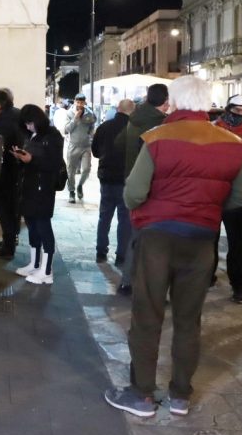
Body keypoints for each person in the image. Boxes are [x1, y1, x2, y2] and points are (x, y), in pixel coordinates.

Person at [104, 75, 242, 418]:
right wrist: (210, 207)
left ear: (174, 102)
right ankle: (180, 395)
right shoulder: (231, 142)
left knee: (148, 315)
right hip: (201, 239)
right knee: (189, 318)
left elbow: (134, 193)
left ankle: (142, 394)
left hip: (158, 236)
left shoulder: (157, 138)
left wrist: (145, 212)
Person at [114, 83, 169, 294]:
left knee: (135, 233)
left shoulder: (133, 119)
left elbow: (119, 144)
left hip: (132, 180)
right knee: (154, 239)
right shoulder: (161, 124)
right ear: (165, 101)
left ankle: (127, 280)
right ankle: (147, 286)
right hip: (152, 185)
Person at [211, 94, 242, 302]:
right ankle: (210, 275)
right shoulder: (213, 128)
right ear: (228, 109)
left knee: (236, 240)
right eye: (236, 110)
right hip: (215, 193)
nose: (240, 114)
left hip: (234, 194)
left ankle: (237, 282)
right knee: (212, 238)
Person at [12, 105, 63, 284]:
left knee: (43, 225)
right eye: (25, 124)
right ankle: (34, 264)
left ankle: (46, 271)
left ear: (38, 119)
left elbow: (53, 163)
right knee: (32, 225)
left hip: (43, 188)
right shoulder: (31, 135)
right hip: (29, 187)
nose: (28, 127)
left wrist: (31, 159)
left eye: (30, 123)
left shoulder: (53, 136)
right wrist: (21, 157)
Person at [91, 98, 134, 266]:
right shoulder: (133, 128)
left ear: (118, 108)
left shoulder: (104, 126)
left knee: (104, 216)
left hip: (106, 177)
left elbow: (95, 151)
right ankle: (121, 256)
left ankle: (101, 252)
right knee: (125, 219)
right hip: (125, 179)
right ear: (132, 111)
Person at [0, 89, 25, 261]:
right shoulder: (17, 114)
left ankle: (8, 247)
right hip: (15, 170)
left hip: (3, 172)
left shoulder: (2, 122)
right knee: (11, 209)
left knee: (4, 209)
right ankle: (9, 241)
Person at [63, 93, 96, 203]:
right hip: (73, 145)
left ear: (84, 102)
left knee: (86, 169)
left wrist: (90, 135)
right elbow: (66, 129)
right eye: (78, 102)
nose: (80, 104)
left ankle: (80, 185)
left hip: (86, 146)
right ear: (74, 102)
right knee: (70, 170)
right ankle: (71, 191)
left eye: (82, 102)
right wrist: (75, 118)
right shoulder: (69, 113)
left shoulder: (90, 113)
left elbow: (92, 125)